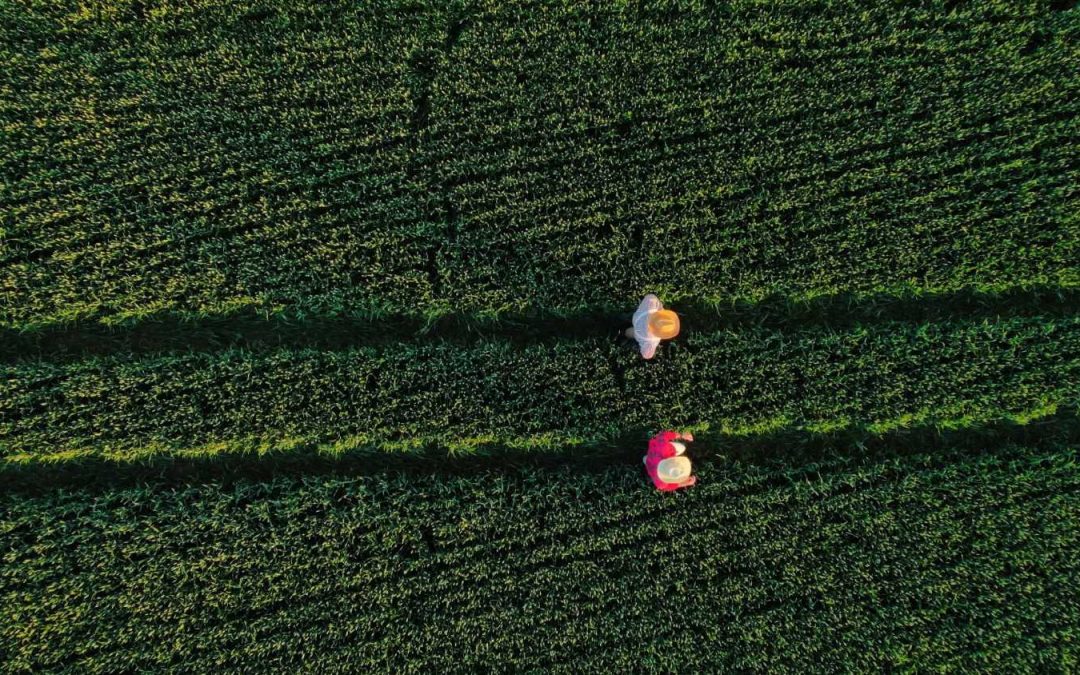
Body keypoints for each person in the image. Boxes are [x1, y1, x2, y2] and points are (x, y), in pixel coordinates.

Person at [625, 294, 680, 359]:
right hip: (639, 333)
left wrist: (660, 308)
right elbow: (647, 355)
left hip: (638, 318)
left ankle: (623, 327)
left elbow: (650, 297)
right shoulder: (652, 341)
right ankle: (624, 334)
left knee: (628, 329)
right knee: (631, 333)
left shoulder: (652, 307)